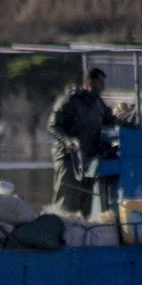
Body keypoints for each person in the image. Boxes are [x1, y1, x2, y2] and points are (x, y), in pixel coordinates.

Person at [48, 67, 118, 216]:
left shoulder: (98, 103)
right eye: (100, 83)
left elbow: (110, 120)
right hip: (69, 159)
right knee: (66, 202)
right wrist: (67, 142)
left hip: (89, 160)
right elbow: (52, 126)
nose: (103, 87)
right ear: (89, 82)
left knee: (85, 205)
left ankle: (81, 229)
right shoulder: (70, 100)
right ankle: (59, 226)